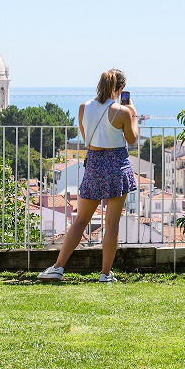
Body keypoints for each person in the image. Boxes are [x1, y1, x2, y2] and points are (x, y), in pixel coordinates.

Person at [38, 69, 140, 283]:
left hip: (94, 163)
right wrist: (134, 114)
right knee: (112, 223)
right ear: (120, 89)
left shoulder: (84, 108)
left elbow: (87, 139)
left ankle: (58, 267)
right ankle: (105, 274)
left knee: (80, 221)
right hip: (116, 165)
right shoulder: (122, 112)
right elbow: (132, 139)